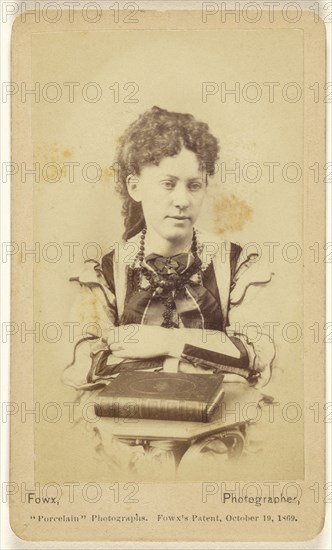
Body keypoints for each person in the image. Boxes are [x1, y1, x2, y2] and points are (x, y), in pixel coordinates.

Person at [63, 106, 275, 477]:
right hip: (124, 437)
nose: (182, 200)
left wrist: (166, 342)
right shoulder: (107, 271)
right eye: (167, 183)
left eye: (194, 185)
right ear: (134, 186)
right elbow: (84, 364)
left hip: (219, 430)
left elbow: (254, 355)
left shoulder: (236, 263)